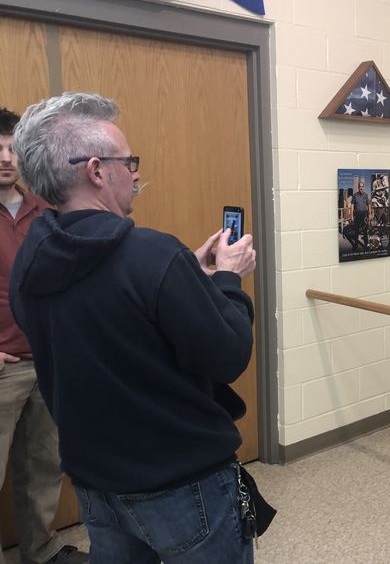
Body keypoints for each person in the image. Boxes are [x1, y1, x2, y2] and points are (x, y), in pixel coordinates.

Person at [9, 93, 258, 564]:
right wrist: (227, 279)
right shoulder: (153, 255)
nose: (137, 173)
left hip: (96, 484)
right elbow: (229, 355)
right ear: (97, 171)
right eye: (130, 161)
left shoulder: (32, 258)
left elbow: (109, 322)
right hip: (183, 485)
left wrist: (190, 282)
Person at [0, 108, 88, 564]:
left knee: (44, 466)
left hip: (49, 363)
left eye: (12, 147)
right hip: (2, 367)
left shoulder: (46, 212)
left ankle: (41, 549)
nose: (5, 158)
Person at [352, 178, 370, 249]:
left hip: (364, 215)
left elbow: (368, 205)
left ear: (363, 187)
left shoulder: (366, 195)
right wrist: (351, 216)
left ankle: (366, 244)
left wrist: (369, 214)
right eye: (360, 186)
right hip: (357, 215)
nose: (361, 188)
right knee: (356, 231)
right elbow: (352, 205)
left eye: (362, 186)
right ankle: (356, 245)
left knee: (365, 231)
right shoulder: (355, 195)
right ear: (358, 187)